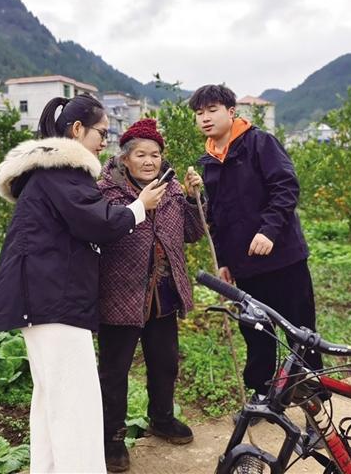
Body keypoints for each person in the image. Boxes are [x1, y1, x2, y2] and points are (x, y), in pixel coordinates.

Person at [0, 95, 167, 474]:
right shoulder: (62, 172)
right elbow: (98, 221)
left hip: (41, 300)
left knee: (51, 400)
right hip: (55, 301)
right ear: (77, 129)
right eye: (102, 132)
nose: (105, 142)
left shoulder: (46, 173)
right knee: (75, 404)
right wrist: (139, 206)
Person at [188, 84, 323, 403]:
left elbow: (285, 188)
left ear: (231, 112)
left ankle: (314, 400)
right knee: (256, 331)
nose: (205, 118)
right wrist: (224, 260)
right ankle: (262, 396)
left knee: (299, 331)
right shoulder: (209, 161)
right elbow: (216, 216)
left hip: (283, 259)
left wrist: (268, 231)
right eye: (199, 113)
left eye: (212, 110)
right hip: (245, 267)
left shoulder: (259, 143)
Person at [96, 118, 205, 473]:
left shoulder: (171, 189)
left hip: (163, 293)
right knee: (115, 370)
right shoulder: (106, 192)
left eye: (155, 154)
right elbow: (100, 233)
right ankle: (112, 437)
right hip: (120, 294)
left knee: (165, 361)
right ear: (125, 158)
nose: (149, 161)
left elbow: (193, 233)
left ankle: (161, 418)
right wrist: (140, 205)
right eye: (141, 154)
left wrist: (194, 198)